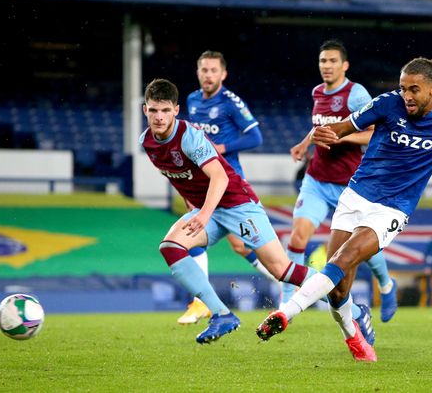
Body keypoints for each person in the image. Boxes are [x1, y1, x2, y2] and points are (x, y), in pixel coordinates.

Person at [256, 57, 432, 362]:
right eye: (403, 88)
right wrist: (328, 134)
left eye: (414, 89)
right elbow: (345, 126)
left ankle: (285, 314)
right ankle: (354, 335)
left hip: (392, 209)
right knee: (338, 290)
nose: (406, 95)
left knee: (345, 258)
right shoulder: (386, 104)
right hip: (355, 196)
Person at [140, 78, 374, 344]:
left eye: (165, 110)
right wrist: (193, 206)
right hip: (211, 209)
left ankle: (355, 311)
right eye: (154, 110)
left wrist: (201, 215)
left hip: (238, 203)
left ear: (176, 110)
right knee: (171, 246)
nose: (159, 117)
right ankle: (221, 315)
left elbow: (220, 178)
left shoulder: (189, 136)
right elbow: (180, 176)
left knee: (282, 270)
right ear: (144, 110)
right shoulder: (147, 141)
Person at [283, 39, 398, 323]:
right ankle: (286, 301)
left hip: (350, 185)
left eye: (333, 61)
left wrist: (342, 135)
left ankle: (386, 285)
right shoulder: (317, 92)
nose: (327, 66)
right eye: (323, 61)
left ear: (344, 65)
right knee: (298, 236)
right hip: (316, 180)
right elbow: (320, 127)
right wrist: (304, 144)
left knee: (361, 250)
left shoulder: (356, 94)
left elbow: (374, 133)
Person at [178, 50, 275, 325]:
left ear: (223, 74)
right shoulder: (193, 100)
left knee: (245, 247)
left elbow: (255, 137)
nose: (208, 75)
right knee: (191, 234)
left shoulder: (231, 102)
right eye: (204, 70)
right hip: (202, 183)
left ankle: (288, 284)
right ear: (198, 73)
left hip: (229, 185)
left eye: (213, 71)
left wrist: (222, 147)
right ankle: (200, 303)